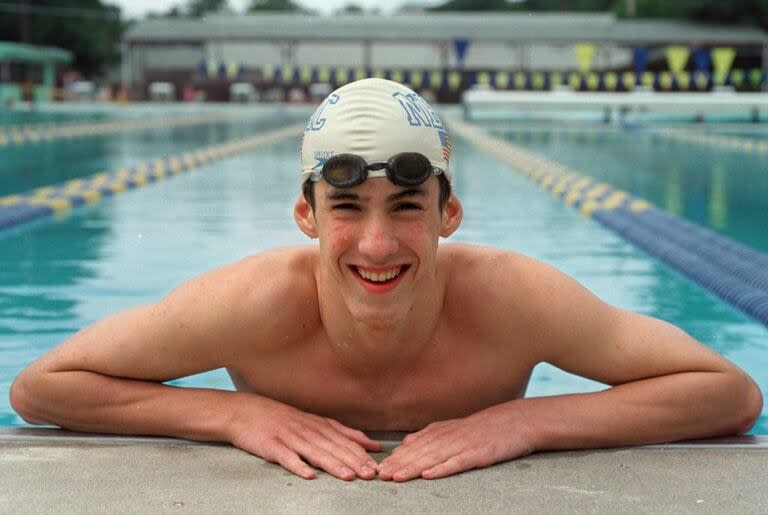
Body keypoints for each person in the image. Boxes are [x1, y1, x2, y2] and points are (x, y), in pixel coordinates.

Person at [10, 79, 763, 483]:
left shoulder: (510, 297)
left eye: (406, 207)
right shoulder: (253, 304)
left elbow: (728, 392)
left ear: (450, 212)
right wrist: (236, 415)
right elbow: (44, 387)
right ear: (306, 214)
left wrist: (528, 422)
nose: (376, 244)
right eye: (346, 207)